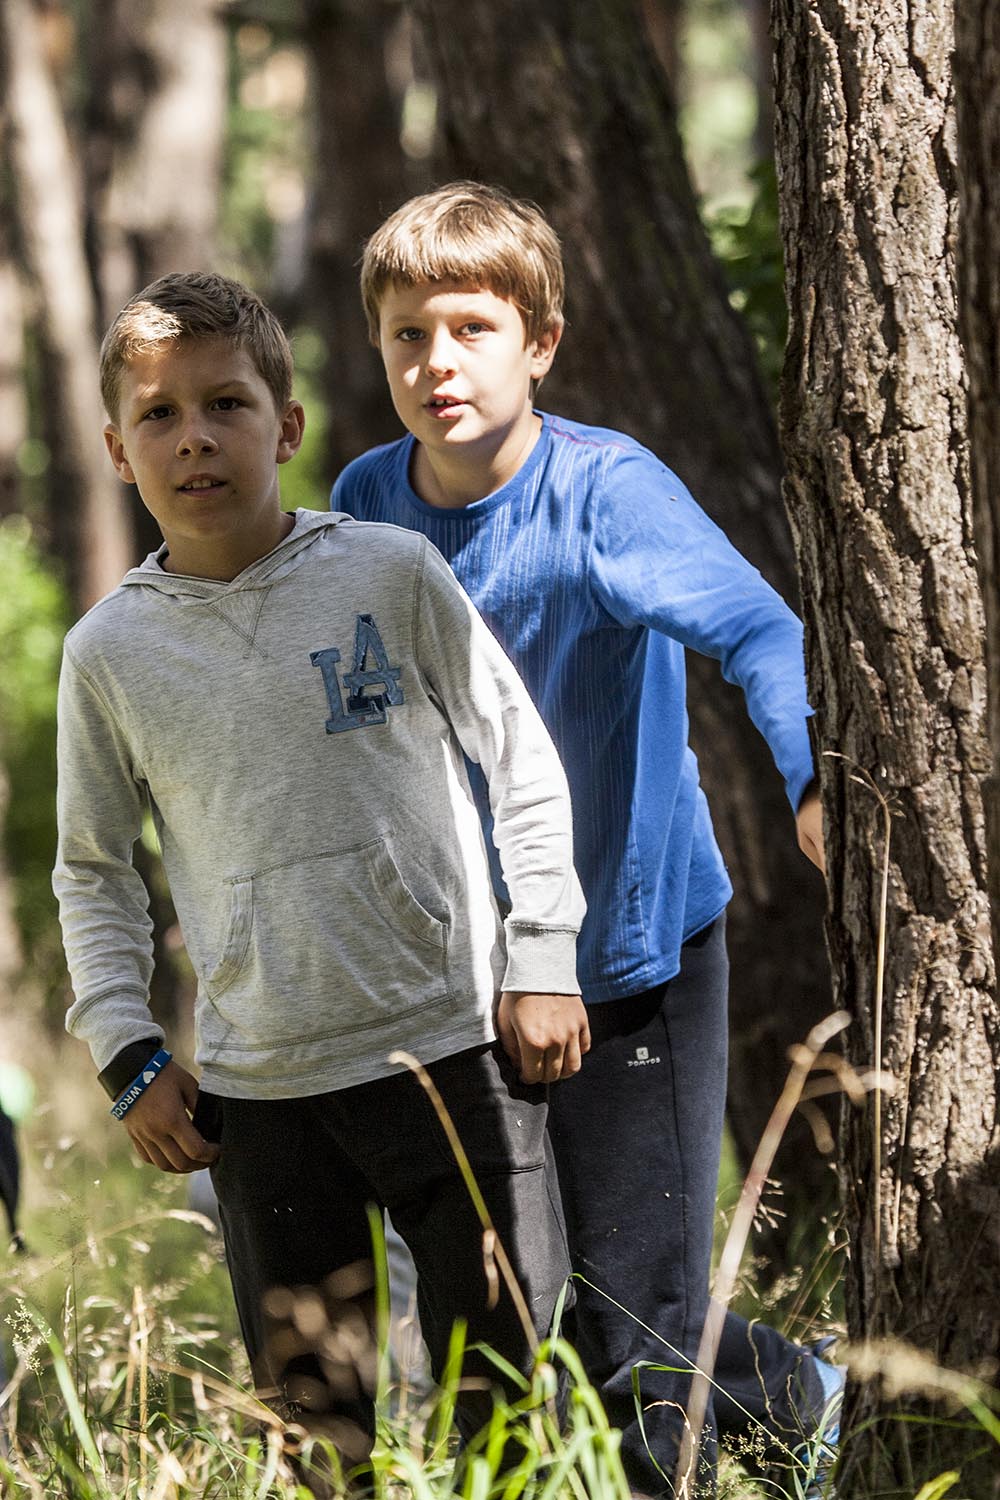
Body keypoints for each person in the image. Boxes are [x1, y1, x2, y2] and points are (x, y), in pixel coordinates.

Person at [329, 181, 843, 1497]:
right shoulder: (366, 497)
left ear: (541, 343)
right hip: (466, 970)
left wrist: (809, 779)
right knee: (516, 1309)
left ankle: (811, 1408)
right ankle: (784, 1406)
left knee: (634, 1321)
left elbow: (761, 631)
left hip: (629, 951)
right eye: (406, 335)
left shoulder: (605, 493)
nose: (437, 362)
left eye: (471, 328)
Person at [52, 270, 590, 1468]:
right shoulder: (108, 654)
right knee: (317, 1437)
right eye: (159, 415)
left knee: (505, 1415)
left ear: (285, 425)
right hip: (266, 1091)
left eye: (226, 404)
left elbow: (521, 762)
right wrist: (127, 1050)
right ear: (119, 451)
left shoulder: (388, 572)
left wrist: (544, 952)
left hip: (454, 1051)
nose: (195, 438)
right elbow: (93, 869)